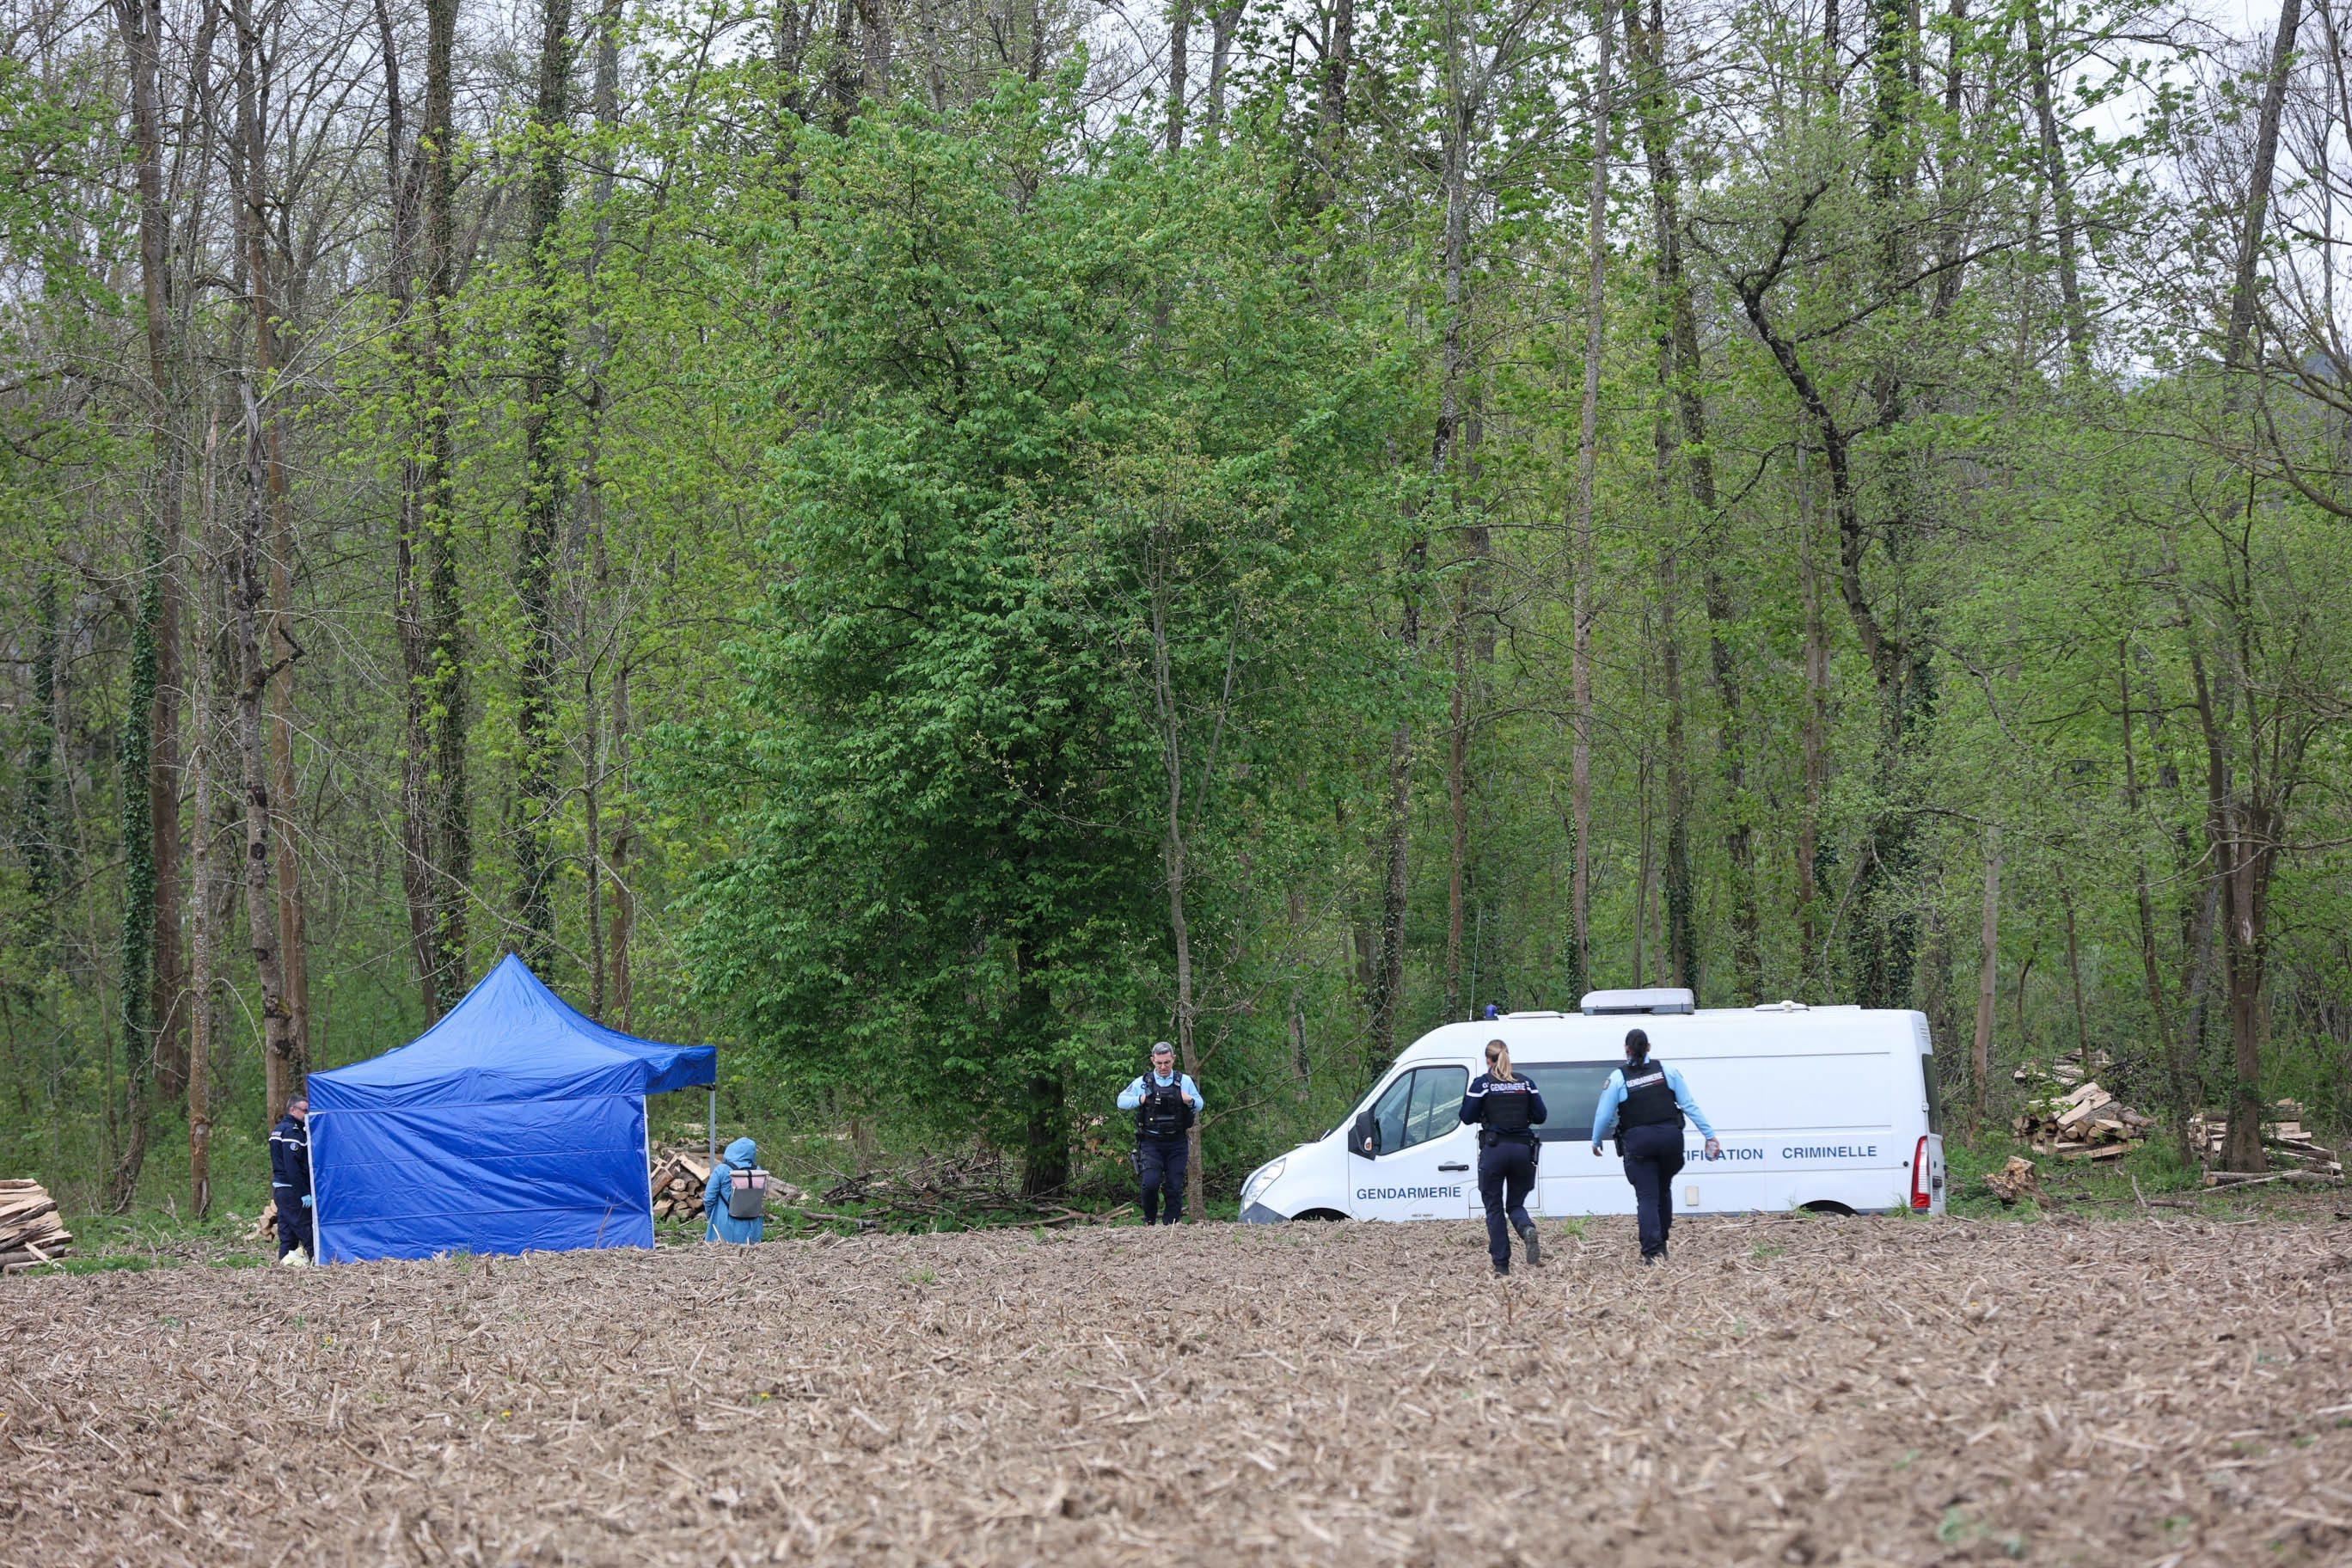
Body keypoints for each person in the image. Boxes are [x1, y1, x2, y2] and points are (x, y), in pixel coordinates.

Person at [1589, 1027, 1720, 1264]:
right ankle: (1663, 1242)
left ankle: (1652, 1252)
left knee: (1647, 1197)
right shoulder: (1667, 1071)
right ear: (1649, 1048)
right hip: (1670, 1141)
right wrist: (1709, 1135)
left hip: (1640, 1144)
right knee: (1663, 1189)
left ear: (1627, 1050)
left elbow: (1603, 1115)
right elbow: (1689, 1105)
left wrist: (1596, 1140)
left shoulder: (1619, 1078)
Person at [1459, 1039, 1547, 1277]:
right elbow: (1541, 1115)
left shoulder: (1482, 1084)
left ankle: (1502, 1265)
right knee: (1515, 1205)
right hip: (1522, 1151)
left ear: (1488, 1059)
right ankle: (1527, 1227)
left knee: (1494, 1208)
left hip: (1495, 1150)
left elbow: (1466, 1117)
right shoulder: (1526, 1083)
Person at [1117, 1042, 1202, 1225]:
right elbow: (1121, 1101)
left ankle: (1170, 1226)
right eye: (1159, 1063)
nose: (1163, 1067)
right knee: (1150, 1184)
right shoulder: (1143, 1082)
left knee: (1174, 1186)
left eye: (1167, 1063)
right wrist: (1139, 1099)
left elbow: (1200, 1103)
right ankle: (1150, 1222)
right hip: (1151, 1142)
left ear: (1173, 1060)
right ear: (1152, 1061)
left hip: (1176, 1142)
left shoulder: (1184, 1081)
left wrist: (1190, 1100)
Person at [268, 1095, 313, 1263]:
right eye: (304, 1111)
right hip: (291, 1189)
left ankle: (285, 1266)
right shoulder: (292, 1132)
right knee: (305, 1227)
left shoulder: (279, 1129)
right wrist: (303, 1192)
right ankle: (318, 1261)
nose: (307, 1115)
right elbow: (292, 1166)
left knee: (288, 1233)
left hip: (281, 1189)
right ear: (293, 1110)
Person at [704, 1136, 765, 1244]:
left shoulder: (722, 1169)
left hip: (724, 1224)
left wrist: (710, 1216)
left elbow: (709, 1198)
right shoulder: (758, 1170)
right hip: (752, 1225)